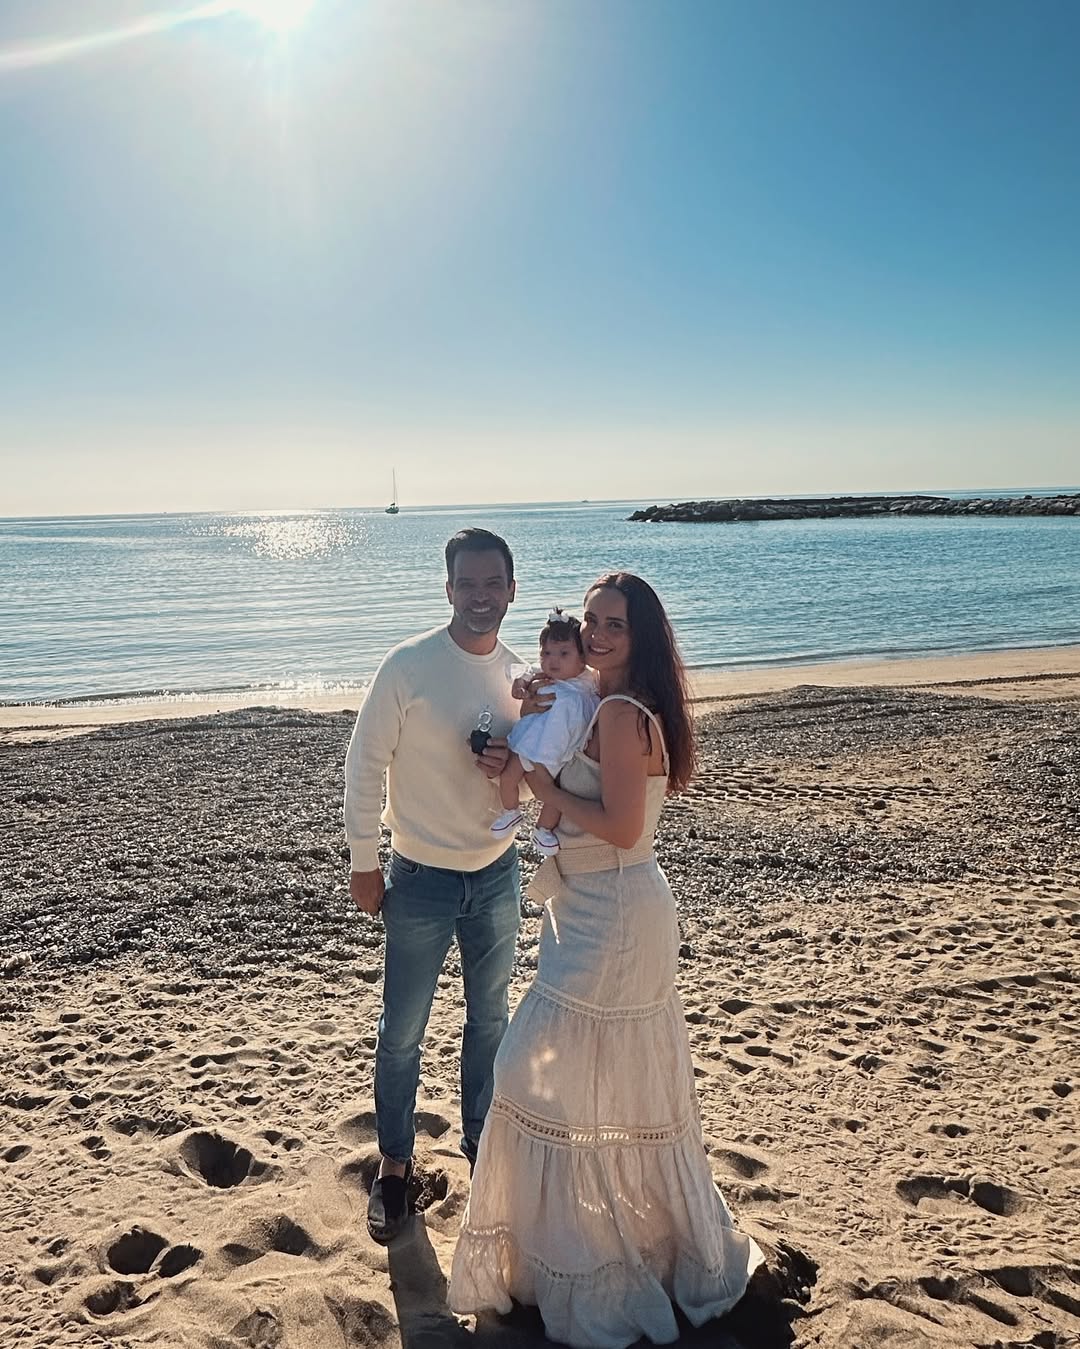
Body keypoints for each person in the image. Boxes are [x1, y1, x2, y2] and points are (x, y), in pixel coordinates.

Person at [449, 572, 764, 1349]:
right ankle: (595, 1242)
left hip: (617, 909)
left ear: (643, 633)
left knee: (531, 1068)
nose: (595, 632)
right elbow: (557, 717)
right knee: (604, 1079)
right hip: (592, 907)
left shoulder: (622, 715)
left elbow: (622, 828)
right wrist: (526, 751)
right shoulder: (598, 695)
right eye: (590, 618)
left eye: (614, 622)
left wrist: (548, 783)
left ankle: (600, 1254)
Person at [344, 528, 524, 1245]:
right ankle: (395, 1167)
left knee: (490, 1022)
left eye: (493, 584)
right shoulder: (408, 665)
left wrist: (514, 770)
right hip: (416, 876)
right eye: (467, 584)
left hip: (498, 873)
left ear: (512, 588)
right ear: (448, 589)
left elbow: (535, 784)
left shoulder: (519, 677)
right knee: (403, 1032)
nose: (481, 597)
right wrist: (364, 861)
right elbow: (363, 764)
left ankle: (483, 1155)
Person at [489, 606, 600, 858]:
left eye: (564, 654)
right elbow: (522, 677)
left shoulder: (586, 682)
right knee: (508, 776)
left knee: (554, 795)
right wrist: (519, 685)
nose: (553, 660)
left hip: (557, 748)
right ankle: (510, 812)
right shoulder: (543, 677)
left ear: (582, 658)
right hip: (529, 739)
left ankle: (543, 829)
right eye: (547, 653)